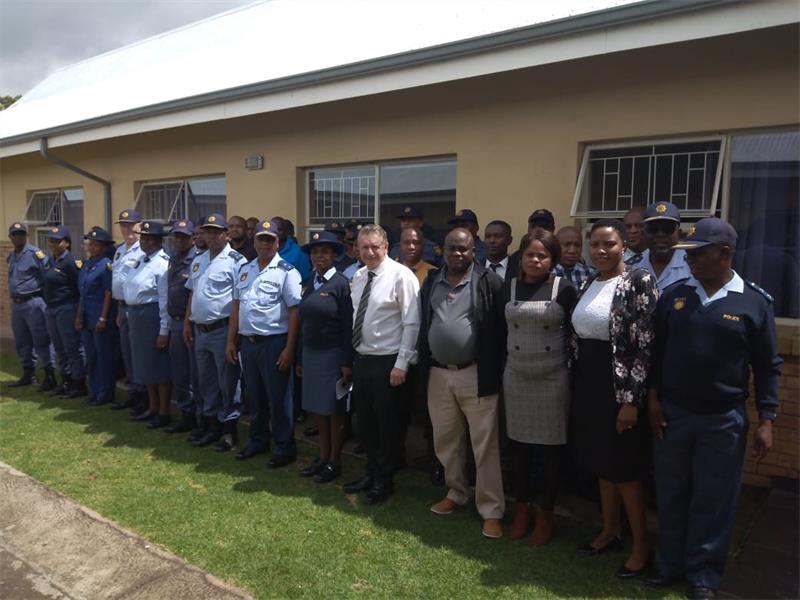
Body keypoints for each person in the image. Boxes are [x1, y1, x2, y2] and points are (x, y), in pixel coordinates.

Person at [645, 218, 782, 600]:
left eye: (698, 254)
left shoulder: (753, 302)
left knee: (714, 498)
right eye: (688, 254)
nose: (690, 261)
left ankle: (703, 574)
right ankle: (670, 564)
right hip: (674, 415)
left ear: (725, 253)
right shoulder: (676, 296)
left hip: (723, 420)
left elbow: (767, 366)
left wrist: (767, 419)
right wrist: (653, 398)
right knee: (672, 493)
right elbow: (657, 353)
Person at [570, 218, 658, 579]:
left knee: (625, 469)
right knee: (602, 465)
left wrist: (631, 401)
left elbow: (646, 346)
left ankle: (641, 546)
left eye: (609, 244)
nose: (601, 251)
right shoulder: (589, 281)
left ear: (624, 245)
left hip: (619, 390)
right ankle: (609, 531)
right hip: (588, 386)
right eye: (595, 244)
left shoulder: (638, 281)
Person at [417, 228, 506, 538]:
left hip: (476, 374)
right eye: (451, 248)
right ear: (443, 250)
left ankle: (491, 509)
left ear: (473, 251)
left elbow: (499, 331)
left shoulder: (488, 281)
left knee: (484, 445)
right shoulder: (432, 281)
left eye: (463, 249)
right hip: (438, 374)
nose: (457, 254)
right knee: (446, 440)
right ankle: (456, 493)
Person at [504, 229, 577, 545]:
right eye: (530, 254)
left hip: (552, 379)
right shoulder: (508, 287)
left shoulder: (565, 289)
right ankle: (522, 508)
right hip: (516, 377)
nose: (535, 260)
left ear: (553, 259)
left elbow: (574, 335)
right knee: (518, 448)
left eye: (543, 255)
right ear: (521, 256)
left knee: (550, 452)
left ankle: (546, 512)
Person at [342, 224, 420, 504]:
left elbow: (412, 323)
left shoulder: (402, 276)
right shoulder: (359, 276)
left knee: (388, 426)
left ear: (386, 247)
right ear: (357, 249)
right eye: (364, 247)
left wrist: (402, 364)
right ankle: (371, 472)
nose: (370, 252)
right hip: (363, 360)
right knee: (367, 425)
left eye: (375, 246)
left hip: (389, 363)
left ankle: (384, 481)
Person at [227, 218, 302, 465]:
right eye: (261, 239)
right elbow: (236, 306)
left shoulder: (287, 272)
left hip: (274, 344)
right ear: (254, 241)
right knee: (255, 397)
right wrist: (231, 341)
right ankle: (258, 440)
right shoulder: (244, 269)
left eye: (270, 240)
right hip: (248, 344)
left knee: (279, 399)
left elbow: (294, 312)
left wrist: (289, 349)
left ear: (277, 243)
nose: (265, 244)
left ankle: (284, 447)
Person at [184, 214, 248, 450]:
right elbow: (193, 292)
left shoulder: (236, 261)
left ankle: (229, 429)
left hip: (223, 330)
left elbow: (238, 301)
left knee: (228, 382)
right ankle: (211, 426)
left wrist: (232, 338)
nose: (211, 236)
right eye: (207, 231)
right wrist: (187, 323)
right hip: (200, 330)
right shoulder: (198, 259)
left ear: (226, 234)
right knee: (207, 381)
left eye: (216, 232)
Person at [296, 231, 353, 482]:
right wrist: (300, 358)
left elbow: (349, 326)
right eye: (315, 252)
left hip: (333, 355)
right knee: (318, 409)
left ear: (334, 256)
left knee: (334, 409)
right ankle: (322, 457)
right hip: (311, 354)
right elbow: (303, 323)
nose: (319, 256)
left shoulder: (341, 284)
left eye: (325, 252)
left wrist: (346, 361)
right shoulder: (309, 282)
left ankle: (334, 461)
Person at [123, 221, 172, 428]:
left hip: (152, 316)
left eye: (148, 238)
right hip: (136, 316)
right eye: (142, 237)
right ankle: (152, 407)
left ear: (158, 241)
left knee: (159, 367)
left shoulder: (162, 263)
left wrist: (164, 330)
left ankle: (164, 411)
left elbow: (164, 299)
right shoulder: (140, 260)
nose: (143, 241)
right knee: (145, 366)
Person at [162, 220, 200, 434]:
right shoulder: (173, 258)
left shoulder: (197, 259)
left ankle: (199, 416)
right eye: (176, 236)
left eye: (184, 237)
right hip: (174, 321)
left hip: (190, 323)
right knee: (180, 372)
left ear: (193, 238)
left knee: (194, 373)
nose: (179, 240)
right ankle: (186, 414)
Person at [6, 222, 56, 390]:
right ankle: (28, 373)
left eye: (21, 234)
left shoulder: (35, 254)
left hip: (33, 302)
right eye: (15, 234)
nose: (19, 237)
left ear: (26, 236)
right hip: (17, 304)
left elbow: (48, 277)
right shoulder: (11, 256)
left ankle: (49, 374)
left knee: (41, 339)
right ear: (10, 237)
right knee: (22, 340)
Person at [42, 225, 87, 399]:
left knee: (72, 347)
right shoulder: (50, 260)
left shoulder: (71, 262)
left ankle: (78, 383)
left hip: (66, 308)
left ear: (66, 243)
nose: (53, 244)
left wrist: (78, 313)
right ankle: (66, 380)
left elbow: (79, 289)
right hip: (52, 308)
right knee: (59, 347)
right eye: (51, 241)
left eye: (57, 241)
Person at [76, 228, 117, 406]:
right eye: (90, 244)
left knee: (103, 357)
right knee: (91, 357)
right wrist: (79, 316)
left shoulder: (106, 266)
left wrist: (103, 318)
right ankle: (94, 390)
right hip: (87, 317)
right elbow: (82, 294)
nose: (91, 247)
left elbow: (108, 293)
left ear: (104, 247)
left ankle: (105, 392)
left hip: (100, 318)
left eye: (96, 245)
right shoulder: (87, 264)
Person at [111, 209, 146, 412]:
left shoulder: (144, 250)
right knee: (127, 353)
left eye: (131, 225)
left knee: (139, 353)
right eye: (123, 225)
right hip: (122, 307)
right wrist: (118, 308)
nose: (127, 229)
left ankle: (143, 395)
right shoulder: (120, 250)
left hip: (138, 308)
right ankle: (134, 392)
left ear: (140, 226)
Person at [629, 201, 691, 292]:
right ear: (644, 233)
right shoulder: (632, 266)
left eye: (668, 229)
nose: (660, 234)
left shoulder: (692, 264)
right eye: (653, 229)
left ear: (679, 233)